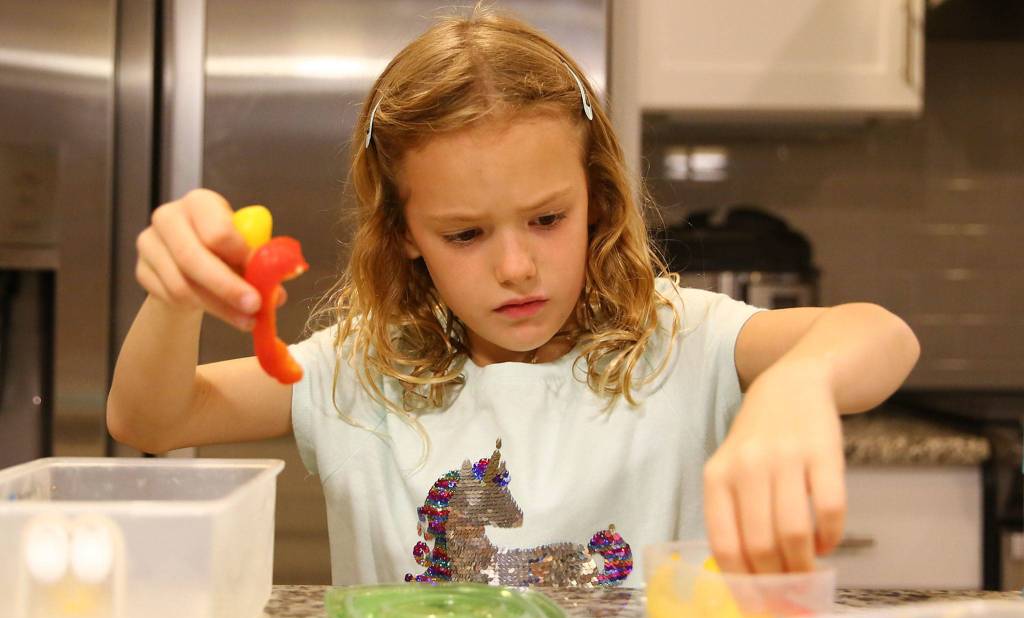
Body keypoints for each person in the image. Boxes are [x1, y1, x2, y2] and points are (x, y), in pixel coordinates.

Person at [106, 8, 920, 587]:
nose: (518, 267)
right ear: (404, 236)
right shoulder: (362, 374)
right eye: (465, 235)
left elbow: (879, 335)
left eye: (546, 218)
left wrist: (797, 382)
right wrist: (175, 294)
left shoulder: (680, 341)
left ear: (597, 198)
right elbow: (153, 418)